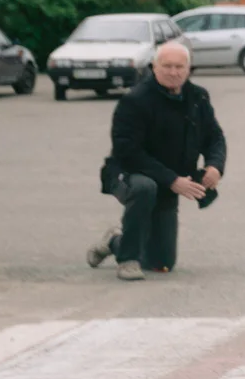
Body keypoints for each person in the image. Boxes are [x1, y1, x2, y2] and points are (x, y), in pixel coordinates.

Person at [86, 41, 225, 281]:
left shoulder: (198, 97)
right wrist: (172, 180)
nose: (174, 72)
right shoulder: (135, 100)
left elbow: (214, 136)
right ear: (154, 67)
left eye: (179, 66)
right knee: (144, 187)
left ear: (189, 68)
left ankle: (114, 241)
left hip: (169, 182)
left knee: (161, 263)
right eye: (167, 66)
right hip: (128, 174)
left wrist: (215, 165)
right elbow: (127, 151)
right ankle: (127, 259)